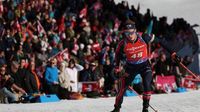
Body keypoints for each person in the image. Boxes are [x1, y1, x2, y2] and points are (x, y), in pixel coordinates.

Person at [111, 20, 155, 112]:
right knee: (122, 88)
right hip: (131, 68)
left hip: (144, 66)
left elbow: (160, 41)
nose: (129, 35)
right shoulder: (123, 43)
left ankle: (145, 108)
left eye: (131, 32)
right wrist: (116, 67)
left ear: (135, 30)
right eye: (127, 33)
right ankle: (116, 109)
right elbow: (117, 54)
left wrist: (172, 53)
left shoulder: (143, 37)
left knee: (147, 85)